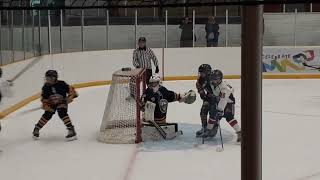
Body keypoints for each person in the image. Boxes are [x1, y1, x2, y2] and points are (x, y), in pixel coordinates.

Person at [33, 70, 78, 141]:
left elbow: (72, 91)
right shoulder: (45, 87)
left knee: (62, 112)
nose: (47, 80)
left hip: (62, 102)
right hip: (51, 104)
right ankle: (37, 128)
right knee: (48, 114)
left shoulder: (62, 84)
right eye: (46, 78)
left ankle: (71, 130)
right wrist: (45, 104)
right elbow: (44, 98)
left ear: (54, 78)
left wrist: (70, 97)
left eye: (49, 78)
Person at [205, 70, 241, 142]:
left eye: (216, 79)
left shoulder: (224, 88)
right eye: (212, 79)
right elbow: (209, 87)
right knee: (212, 114)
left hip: (229, 103)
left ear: (220, 79)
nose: (214, 81)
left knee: (229, 117)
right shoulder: (212, 83)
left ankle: (240, 133)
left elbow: (223, 100)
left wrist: (220, 110)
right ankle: (208, 130)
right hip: (219, 101)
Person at [195, 64, 216, 137]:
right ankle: (204, 127)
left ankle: (214, 128)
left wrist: (215, 97)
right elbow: (201, 93)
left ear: (208, 72)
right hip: (209, 97)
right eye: (200, 72)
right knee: (203, 110)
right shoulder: (200, 80)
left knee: (214, 112)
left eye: (202, 72)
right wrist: (204, 95)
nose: (201, 74)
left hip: (218, 99)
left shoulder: (214, 78)